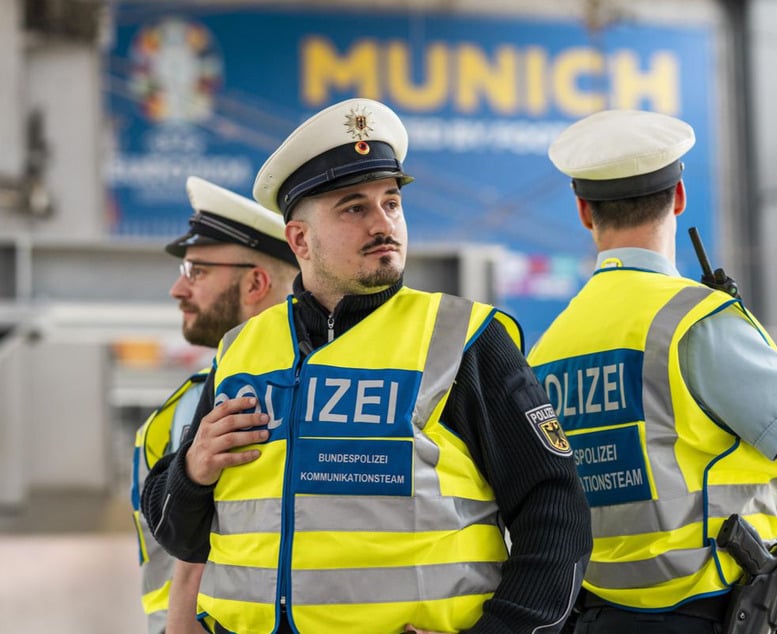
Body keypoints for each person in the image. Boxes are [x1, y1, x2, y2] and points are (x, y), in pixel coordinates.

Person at [140, 97, 592, 634]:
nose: (383, 224)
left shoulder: (464, 339)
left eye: (391, 203)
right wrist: (193, 473)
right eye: (354, 208)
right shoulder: (242, 350)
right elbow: (178, 536)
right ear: (300, 239)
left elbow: (555, 513)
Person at [527, 109, 777, 634]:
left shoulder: (549, 346)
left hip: (595, 618)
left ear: (584, 211)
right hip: (708, 614)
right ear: (679, 197)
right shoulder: (697, 323)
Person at [131, 176, 298, 634]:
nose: (178, 291)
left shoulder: (233, 407)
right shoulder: (187, 410)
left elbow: (193, 568)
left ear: (256, 283)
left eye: (196, 273)